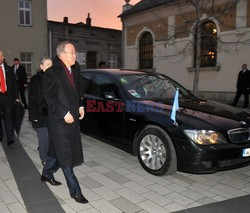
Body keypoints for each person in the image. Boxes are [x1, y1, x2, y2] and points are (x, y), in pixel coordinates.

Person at [42, 41, 88, 204]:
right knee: (66, 154)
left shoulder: (75, 69)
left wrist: (81, 105)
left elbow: (79, 89)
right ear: (62, 54)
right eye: (72, 52)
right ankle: (75, 191)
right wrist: (64, 113)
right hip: (59, 121)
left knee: (57, 150)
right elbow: (49, 97)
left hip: (73, 119)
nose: (76, 55)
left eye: (75, 52)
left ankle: (47, 174)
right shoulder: (52, 72)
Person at [28, 57, 52, 165]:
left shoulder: (54, 78)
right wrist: (33, 116)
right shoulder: (35, 79)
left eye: (51, 65)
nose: (50, 67)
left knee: (50, 136)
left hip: (52, 113)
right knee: (44, 137)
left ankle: (46, 152)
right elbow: (32, 98)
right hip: (39, 113)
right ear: (41, 66)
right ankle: (44, 158)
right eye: (47, 65)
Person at [0, 51, 19, 145]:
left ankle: (10, 138)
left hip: (8, 96)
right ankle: (0, 134)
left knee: (8, 116)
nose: (1, 57)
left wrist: (16, 97)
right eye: (0, 56)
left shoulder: (9, 69)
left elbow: (14, 84)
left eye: (2, 55)